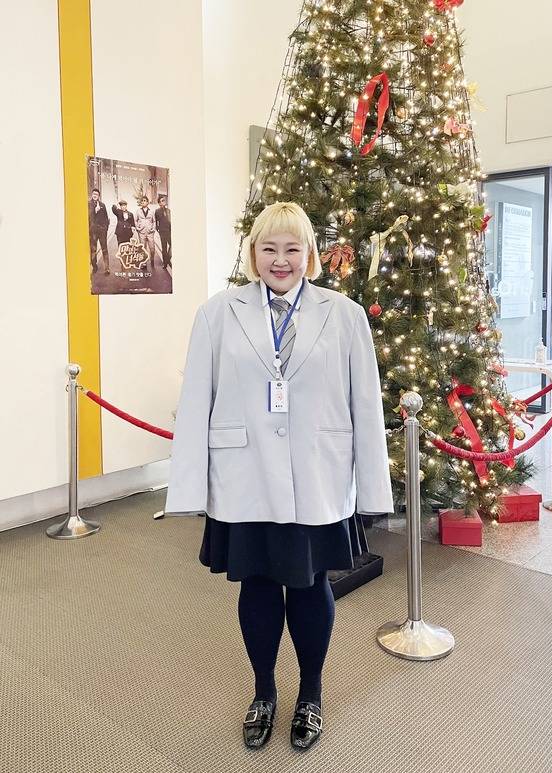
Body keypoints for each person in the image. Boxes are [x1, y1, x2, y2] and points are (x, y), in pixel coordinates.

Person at [165, 201, 393, 751]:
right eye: (269, 248)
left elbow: (366, 404)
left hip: (318, 478)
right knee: (259, 585)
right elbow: (197, 400)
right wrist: (191, 487)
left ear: (310, 255)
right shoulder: (218, 313)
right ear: (253, 254)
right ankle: (264, 690)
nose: (281, 259)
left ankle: (311, 693)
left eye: (293, 248)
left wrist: (372, 489)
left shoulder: (345, 315)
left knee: (311, 585)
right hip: (245, 481)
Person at [88, 189, 110, 275]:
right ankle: (94, 266)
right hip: (93, 231)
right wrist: (95, 211)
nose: (95, 195)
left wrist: (106, 228)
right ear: (92, 194)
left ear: (99, 196)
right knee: (93, 250)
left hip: (102, 231)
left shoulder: (102, 205)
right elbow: (88, 217)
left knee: (104, 249)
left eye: (96, 194)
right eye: (93, 194)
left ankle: (107, 269)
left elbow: (106, 218)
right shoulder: (88, 204)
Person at [134, 195, 156, 270]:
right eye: (142, 201)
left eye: (145, 201)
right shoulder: (138, 211)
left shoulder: (151, 211)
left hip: (150, 232)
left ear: (147, 202)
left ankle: (152, 259)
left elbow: (154, 221)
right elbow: (135, 220)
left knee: (152, 248)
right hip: (142, 232)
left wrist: (153, 229)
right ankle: (144, 263)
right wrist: (138, 228)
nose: (143, 202)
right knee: (143, 248)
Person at [155, 194, 172, 269]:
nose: (163, 202)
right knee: (164, 248)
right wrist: (158, 229)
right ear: (159, 203)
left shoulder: (168, 210)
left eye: (164, 200)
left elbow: (170, 221)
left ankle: (167, 259)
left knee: (172, 245)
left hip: (169, 231)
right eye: (161, 201)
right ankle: (165, 263)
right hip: (162, 231)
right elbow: (156, 221)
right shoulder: (157, 211)